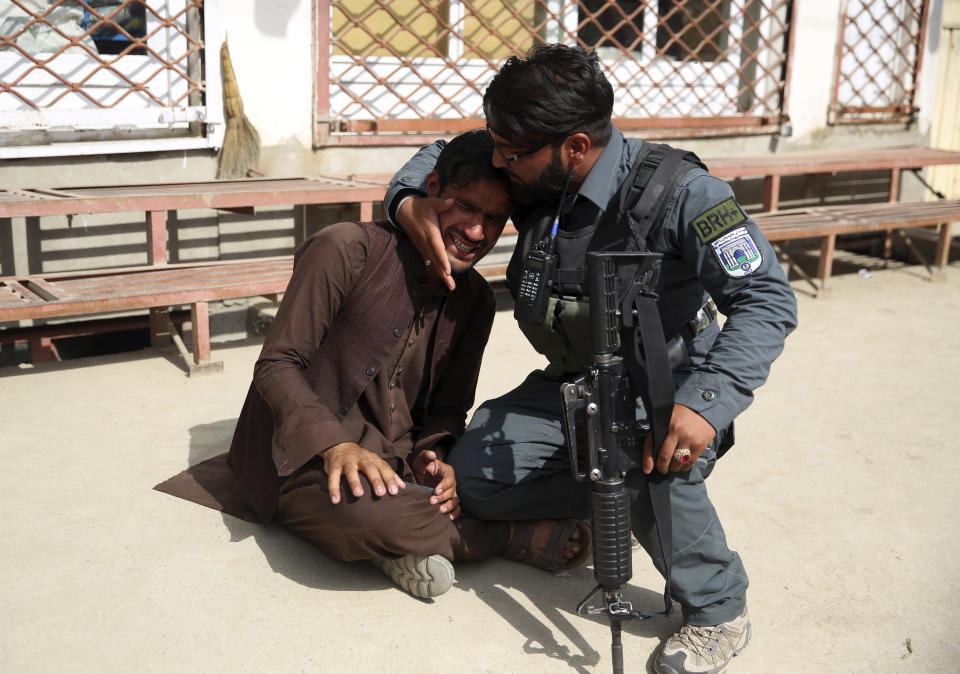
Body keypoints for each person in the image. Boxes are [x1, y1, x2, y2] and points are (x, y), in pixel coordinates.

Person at [383, 45, 798, 671]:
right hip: (571, 383)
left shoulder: (684, 193)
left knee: (635, 458)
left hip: (661, 390)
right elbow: (440, 156)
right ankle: (615, 498)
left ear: (574, 146)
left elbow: (766, 297)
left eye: (510, 151)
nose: (498, 161)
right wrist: (408, 200)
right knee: (470, 478)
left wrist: (704, 404)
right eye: (498, 144)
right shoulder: (533, 170)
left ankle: (719, 609)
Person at [226, 129, 591, 600]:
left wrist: (435, 456)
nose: (476, 232)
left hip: (395, 467)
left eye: (494, 219)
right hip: (305, 458)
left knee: (471, 483)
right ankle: (507, 536)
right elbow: (277, 364)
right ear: (432, 187)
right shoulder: (345, 249)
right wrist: (336, 445)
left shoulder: (476, 298)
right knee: (359, 511)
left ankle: (396, 546)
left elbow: (448, 408)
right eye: (466, 206)